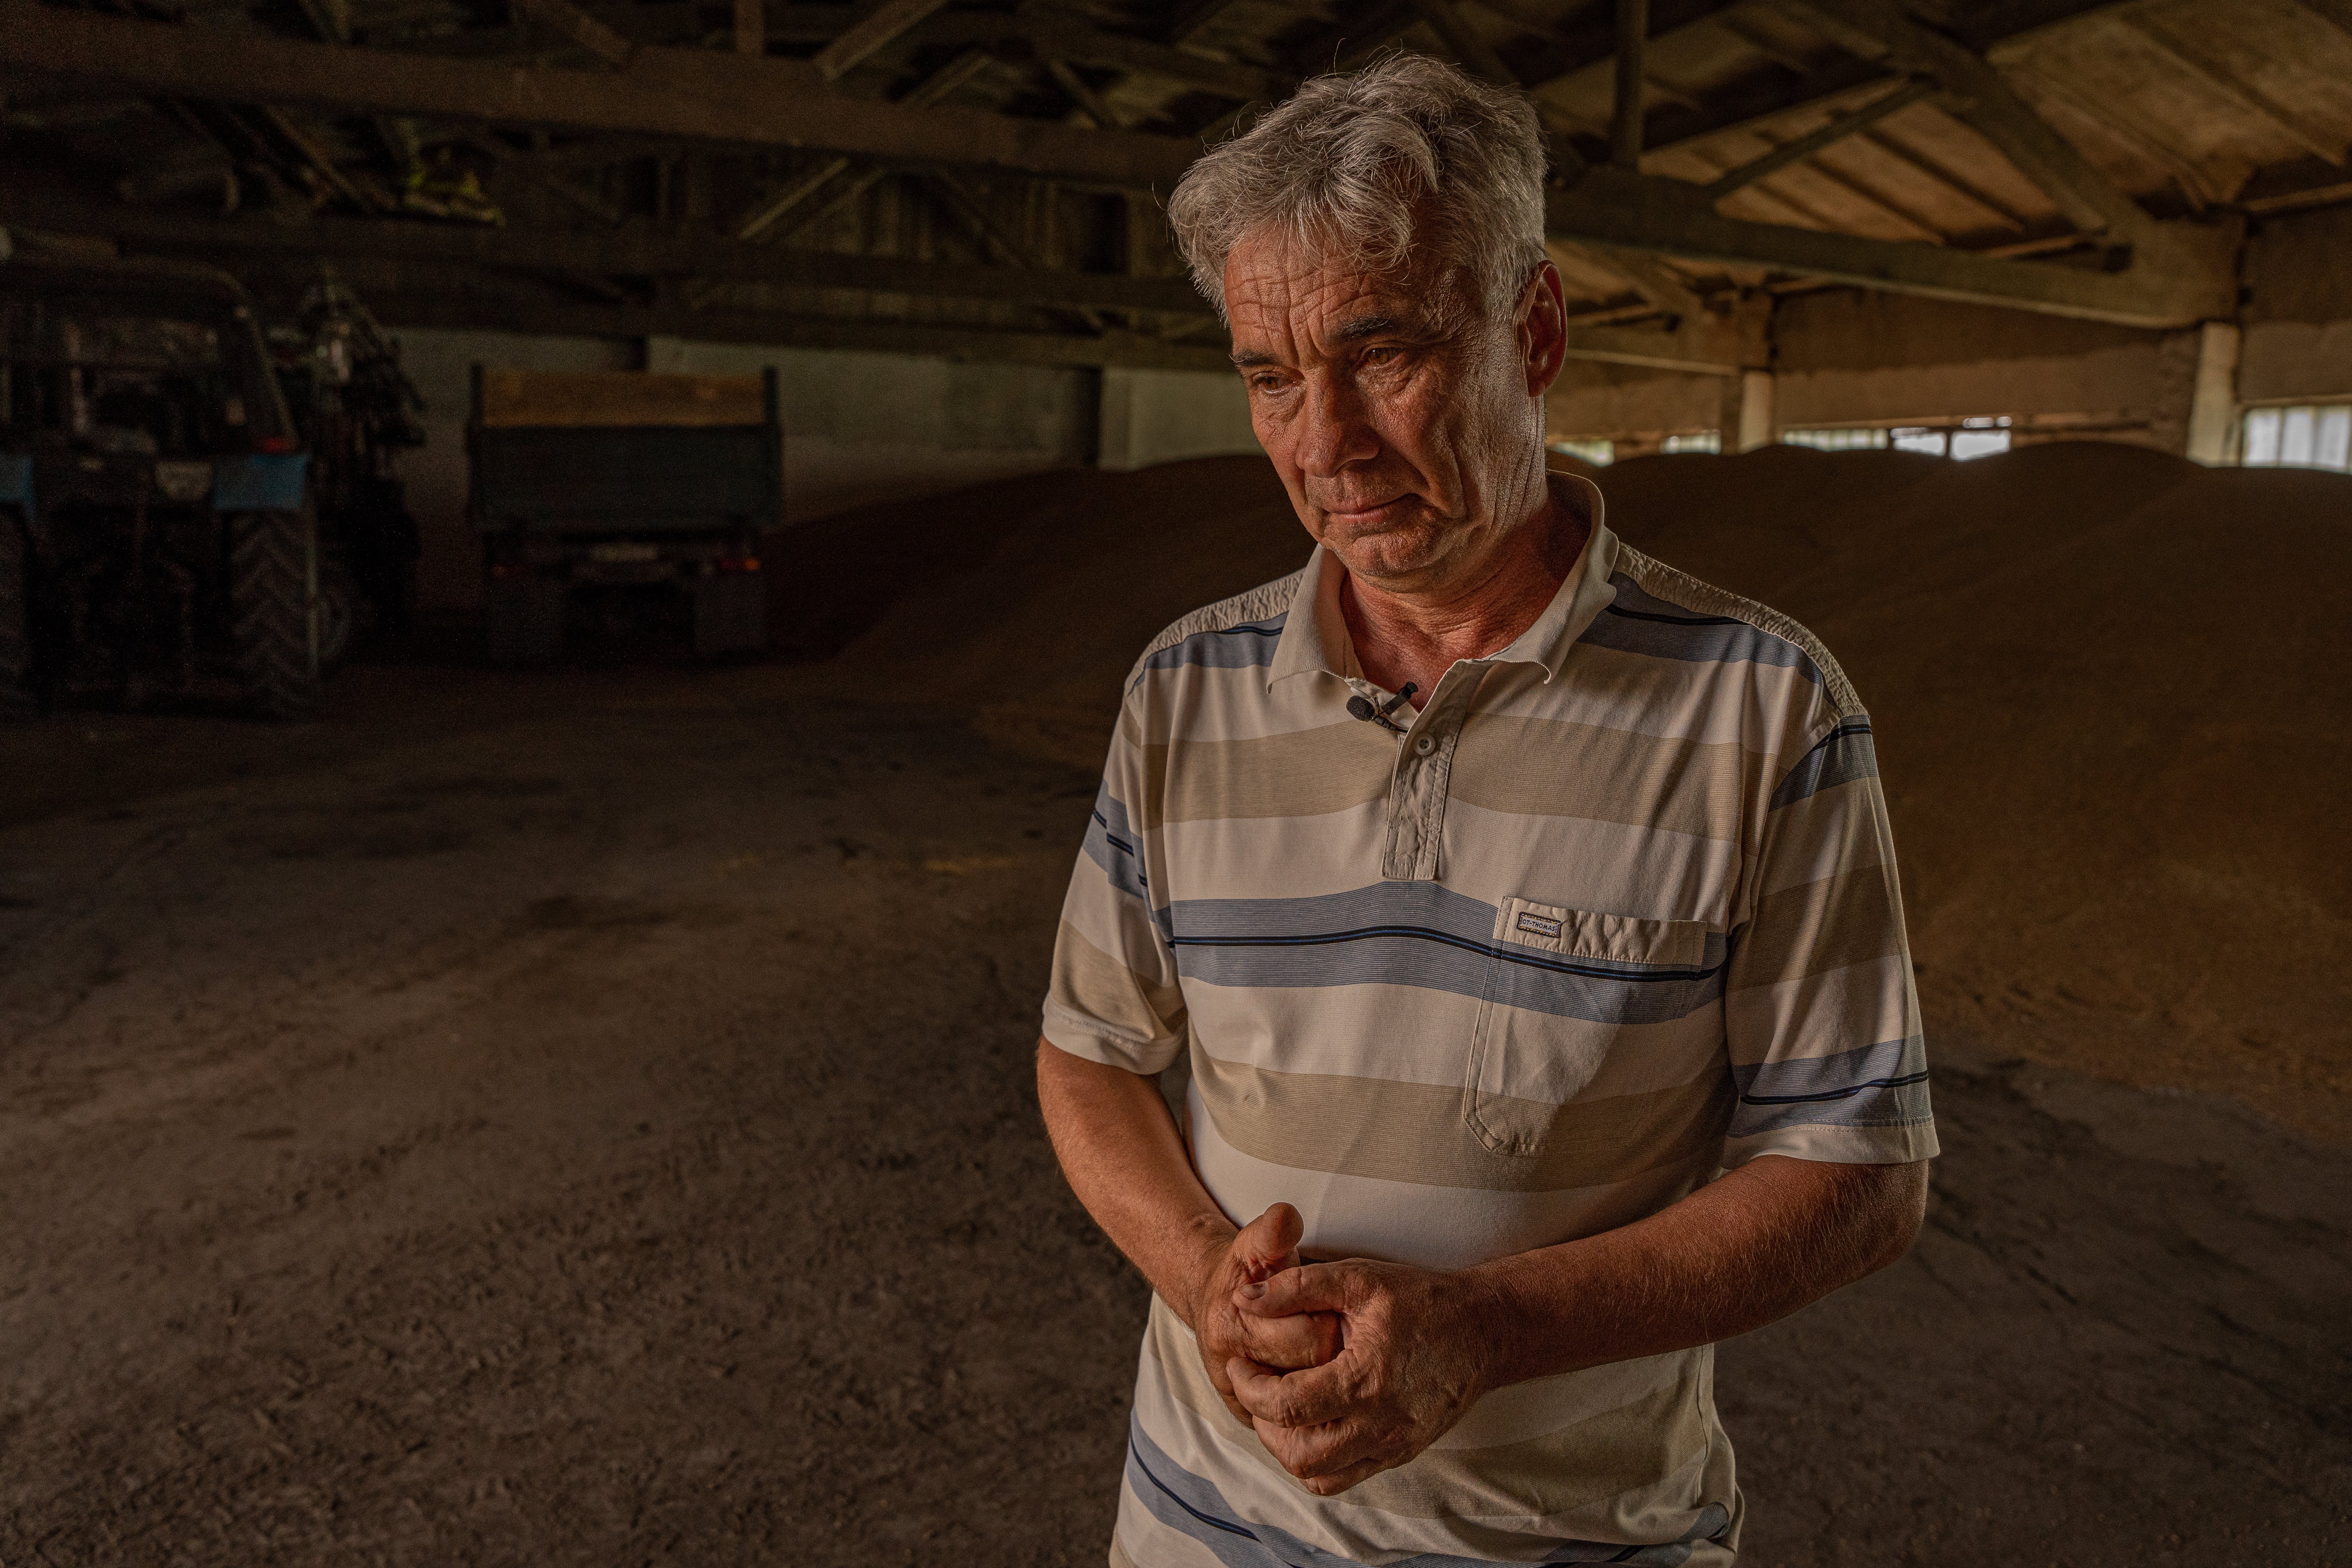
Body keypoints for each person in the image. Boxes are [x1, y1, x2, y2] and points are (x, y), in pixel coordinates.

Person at [1035, 54, 1936, 1568]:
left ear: (1536, 330)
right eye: (1270, 375)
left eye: (1380, 354)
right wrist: (1205, 1281)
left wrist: (1491, 1329)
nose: (1323, 446)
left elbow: (1856, 1169)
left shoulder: (1764, 711)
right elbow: (1091, 1056)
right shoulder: (1183, 693)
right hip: (1197, 1535)